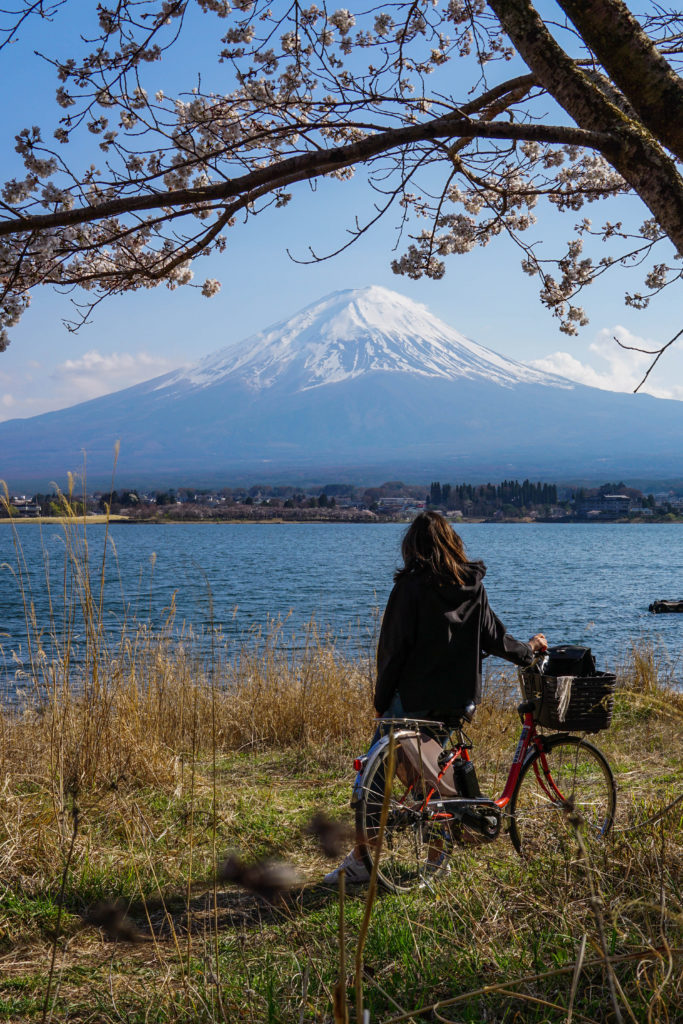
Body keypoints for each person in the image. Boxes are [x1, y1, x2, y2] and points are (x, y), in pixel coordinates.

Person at [324, 510, 546, 884]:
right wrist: (529, 650)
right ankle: (436, 860)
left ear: (412, 547)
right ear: (452, 542)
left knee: (375, 779)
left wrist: (381, 700)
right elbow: (495, 637)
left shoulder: (408, 589)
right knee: (434, 778)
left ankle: (363, 860)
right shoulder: (472, 586)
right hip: (456, 702)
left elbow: (392, 652)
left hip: (412, 701)